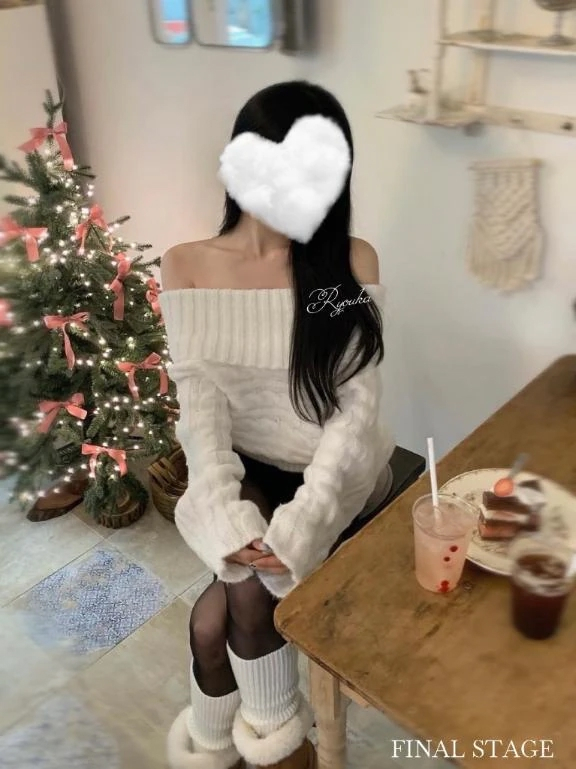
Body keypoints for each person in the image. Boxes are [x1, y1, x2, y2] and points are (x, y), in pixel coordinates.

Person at [159, 80, 396, 769]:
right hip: (250, 466)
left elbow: (355, 411)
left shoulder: (347, 263)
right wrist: (225, 515)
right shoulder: (187, 266)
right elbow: (201, 410)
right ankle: (233, 748)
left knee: (236, 609)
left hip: (337, 472)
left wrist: (305, 522)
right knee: (215, 623)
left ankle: (273, 752)